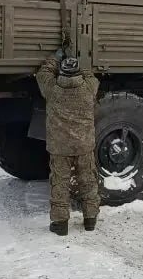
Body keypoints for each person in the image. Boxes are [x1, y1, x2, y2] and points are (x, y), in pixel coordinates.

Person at [36, 52, 100, 235]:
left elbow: (43, 73)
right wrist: (79, 59)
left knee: (60, 184)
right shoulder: (89, 88)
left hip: (60, 147)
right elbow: (89, 75)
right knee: (88, 182)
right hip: (84, 145)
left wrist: (56, 57)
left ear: (61, 73)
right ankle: (90, 220)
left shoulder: (52, 89)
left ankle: (60, 223)